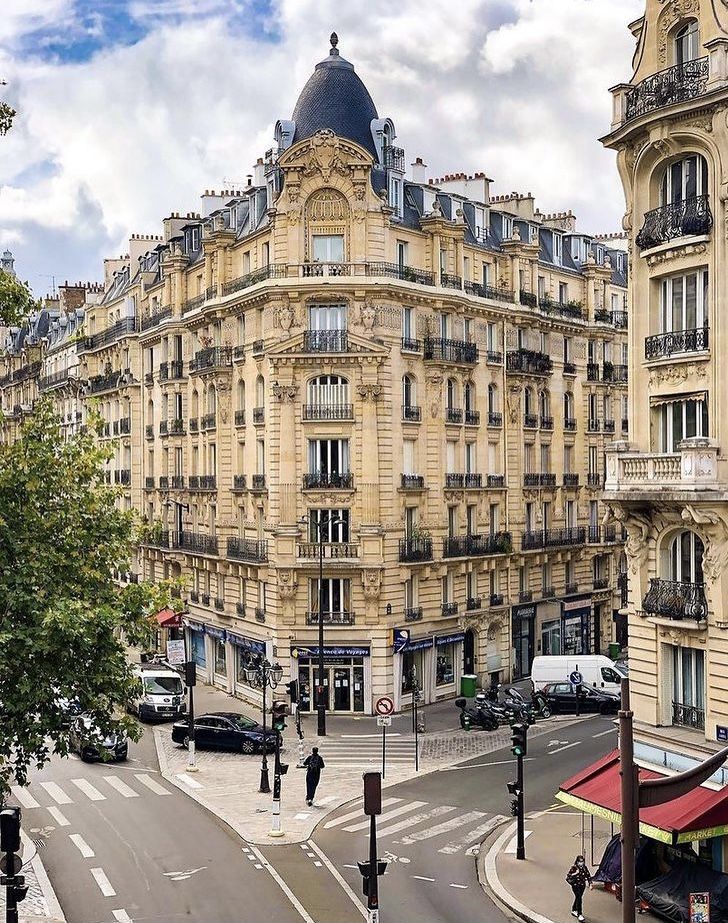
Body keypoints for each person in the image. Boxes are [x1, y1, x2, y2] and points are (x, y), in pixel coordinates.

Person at [565, 854, 592, 921]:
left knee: (578, 897)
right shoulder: (574, 868)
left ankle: (574, 909)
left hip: (582, 885)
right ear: (577, 861)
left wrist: (590, 883)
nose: (581, 863)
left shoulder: (584, 868)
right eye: (580, 861)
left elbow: (588, 875)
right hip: (575, 886)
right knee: (579, 898)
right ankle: (579, 914)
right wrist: (575, 873)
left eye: (582, 861)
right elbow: (568, 877)